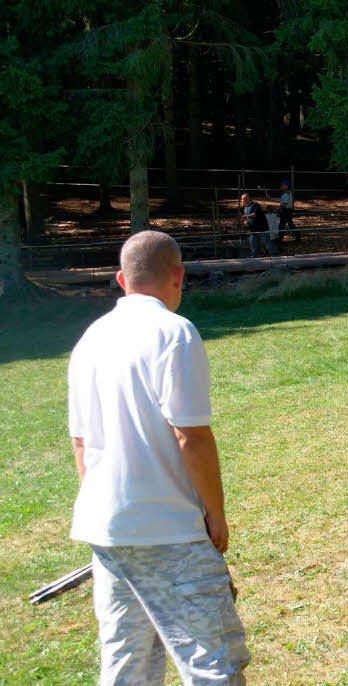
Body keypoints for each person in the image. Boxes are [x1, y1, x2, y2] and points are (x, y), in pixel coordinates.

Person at [67, 230, 250, 685]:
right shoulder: (174, 332)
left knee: (128, 665)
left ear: (121, 280)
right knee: (215, 665)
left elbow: (80, 445)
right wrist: (215, 514)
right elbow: (190, 435)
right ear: (179, 277)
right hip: (170, 530)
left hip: (106, 530)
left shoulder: (90, 340)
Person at [241, 193, 277, 258]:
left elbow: (255, 214)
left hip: (261, 229)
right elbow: (246, 218)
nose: (242, 201)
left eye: (243, 199)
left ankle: (274, 255)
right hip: (252, 230)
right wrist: (245, 222)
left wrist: (246, 216)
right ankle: (254, 256)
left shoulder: (255, 205)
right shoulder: (245, 207)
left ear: (247, 199)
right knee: (253, 244)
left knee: (267, 243)